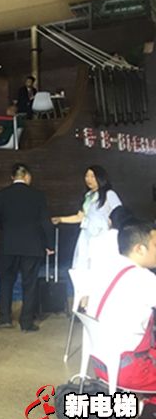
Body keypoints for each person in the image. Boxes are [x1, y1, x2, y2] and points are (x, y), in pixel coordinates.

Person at [83, 221, 156, 392]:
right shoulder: (144, 278)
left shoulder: (107, 269)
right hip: (132, 371)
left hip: (103, 366)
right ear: (140, 249)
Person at [0, 163, 54, 332]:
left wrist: (8, 229)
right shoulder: (38, 195)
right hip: (32, 246)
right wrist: (50, 244)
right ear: (27, 176)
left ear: (12, 177)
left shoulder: (0, 195)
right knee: (29, 284)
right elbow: (45, 222)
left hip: (9, 245)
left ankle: (4, 318)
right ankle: (26, 322)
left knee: (6, 282)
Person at [51, 165, 122, 270]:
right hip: (87, 234)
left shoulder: (109, 194)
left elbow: (119, 213)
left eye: (92, 176)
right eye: (87, 176)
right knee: (84, 262)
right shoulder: (88, 196)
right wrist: (61, 219)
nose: (88, 179)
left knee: (100, 263)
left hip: (102, 234)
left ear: (100, 178)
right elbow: (80, 217)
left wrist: (111, 226)